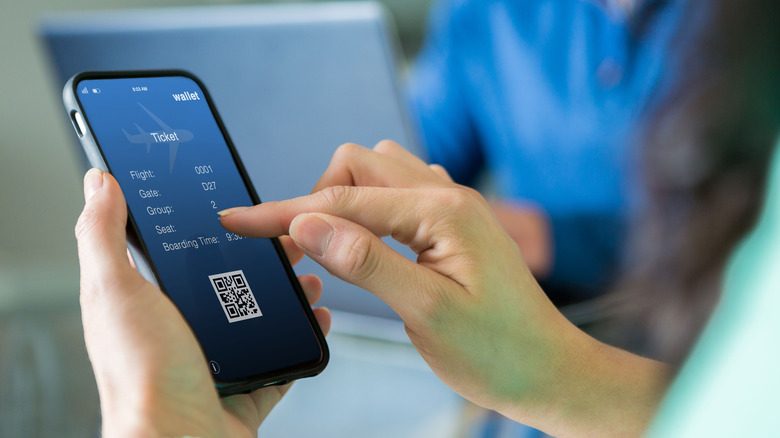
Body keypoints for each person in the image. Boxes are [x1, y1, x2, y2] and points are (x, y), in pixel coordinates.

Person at [74, 0, 779, 435]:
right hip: (526, 368)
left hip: (691, 351)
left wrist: (549, 235)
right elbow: (417, 149)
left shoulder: (748, 31)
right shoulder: (485, 12)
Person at [406, 0, 683, 302]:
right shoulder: (483, 11)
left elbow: (728, 222)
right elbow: (419, 156)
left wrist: (541, 238)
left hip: (694, 319)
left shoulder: (726, 23)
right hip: (539, 307)